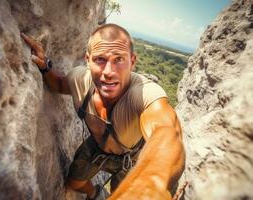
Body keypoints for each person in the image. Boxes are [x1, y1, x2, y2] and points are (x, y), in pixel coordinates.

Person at [21, 23, 185, 200]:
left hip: (131, 159)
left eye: (119, 59)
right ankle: (95, 194)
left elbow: (167, 132)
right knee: (72, 183)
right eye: (100, 59)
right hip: (97, 147)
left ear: (133, 61)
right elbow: (60, 84)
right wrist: (45, 65)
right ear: (88, 60)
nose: (109, 72)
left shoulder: (144, 93)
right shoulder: (80, 79)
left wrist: (149, 184)